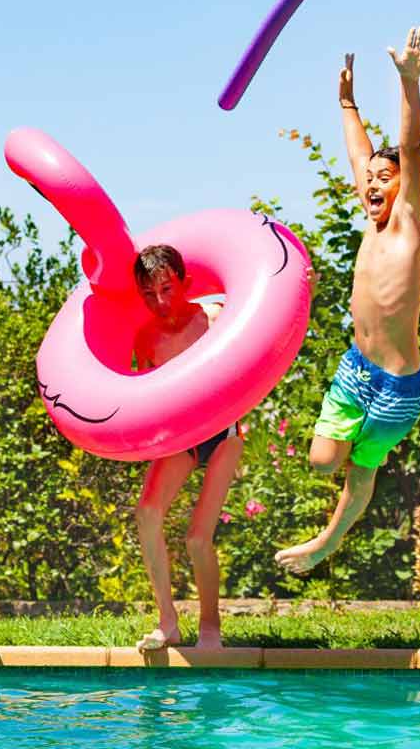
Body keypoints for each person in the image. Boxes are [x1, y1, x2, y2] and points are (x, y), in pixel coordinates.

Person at [275, 28, 420, 575]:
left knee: (360, 473)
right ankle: (329, 530)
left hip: (399, 386)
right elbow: (358, 153)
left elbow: (408, 149)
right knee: (323, 462)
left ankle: (326, 542)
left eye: (384, 178)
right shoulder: (370, 220)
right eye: (368, 179)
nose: (371, 183)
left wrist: (407, 82)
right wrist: (346, 103)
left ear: (405, 187)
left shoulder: (408, 224)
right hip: (356, 370)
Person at [130, 244, 244, 652]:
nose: (160, 301)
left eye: (167, 288)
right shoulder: (147, 339)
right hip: (181, 439)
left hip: (222, 434)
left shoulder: (213, 319)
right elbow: (146, 397)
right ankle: (168, 622)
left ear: (185, 283)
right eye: (149, 293)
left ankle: (210, 627)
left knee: (198, 538)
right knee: (146, 514)